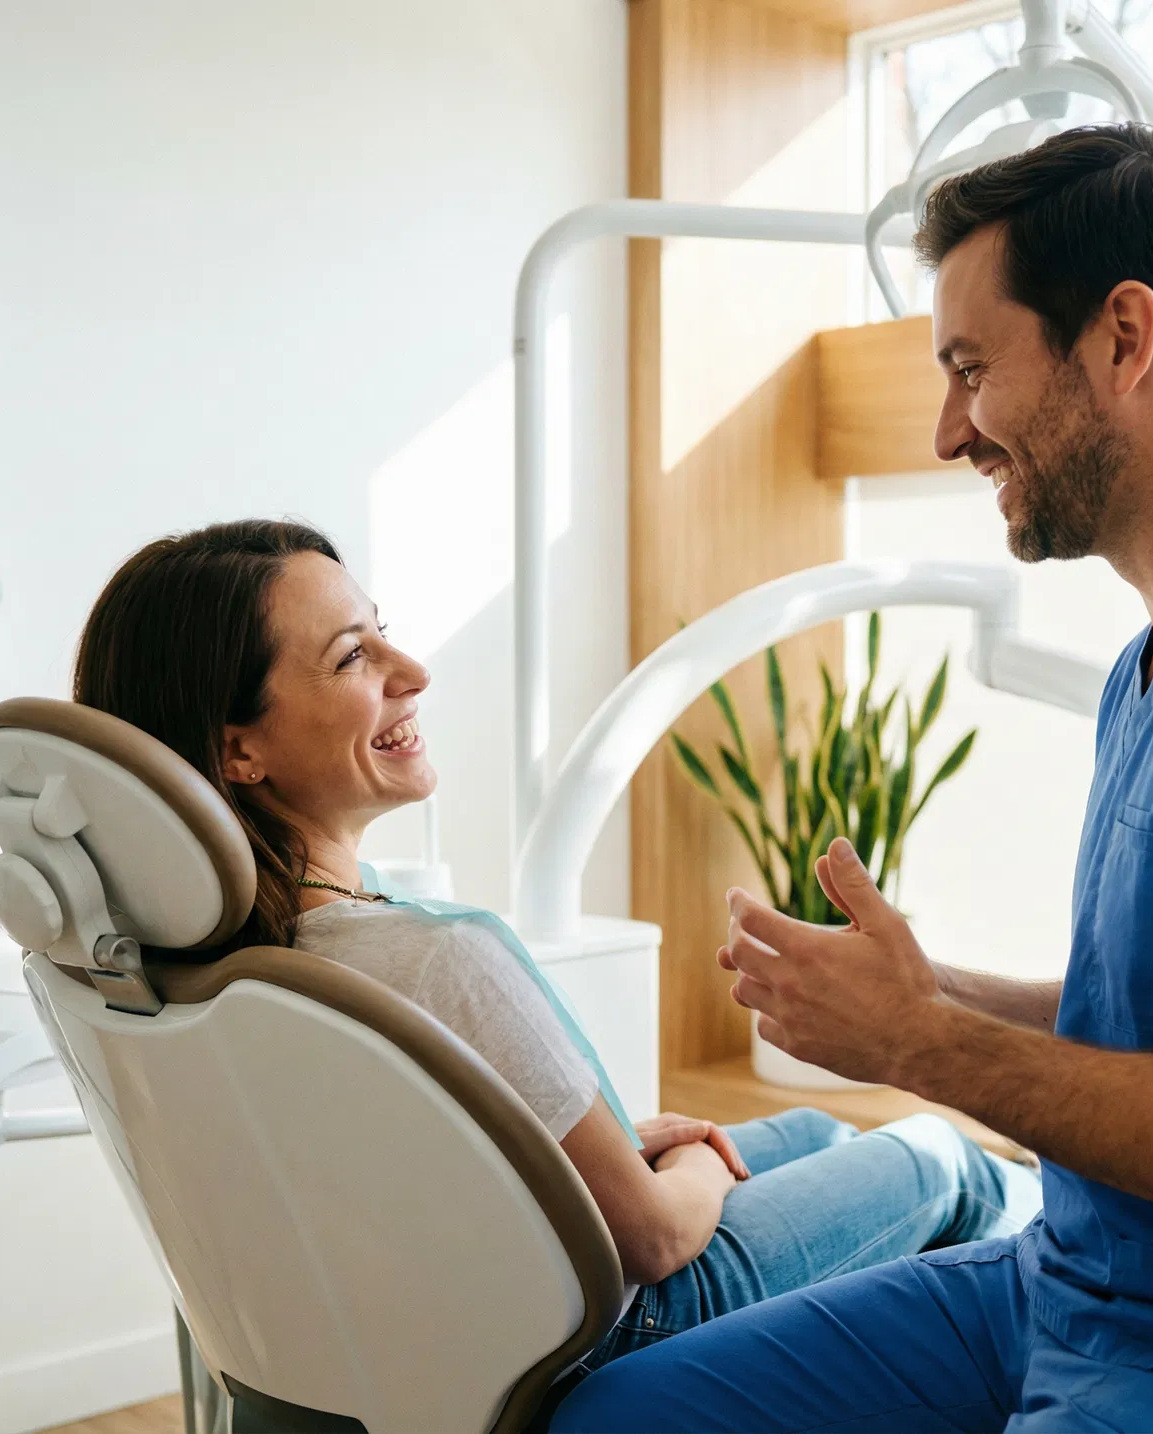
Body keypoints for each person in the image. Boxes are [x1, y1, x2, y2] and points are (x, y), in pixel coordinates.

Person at [551, 125, 1153, 1432]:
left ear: (1125, 339)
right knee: (622, 1416)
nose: (949, 428)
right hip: (1086, 1286)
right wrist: (922, 990)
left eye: (972, 368)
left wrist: (924, 1040)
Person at [70, 518, 1040, 1372]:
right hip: (616, 1322)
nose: (413, 672)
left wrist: (612, 1148)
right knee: (939, 1162)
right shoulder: (431, 958)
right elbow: (656, 1243)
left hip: (477, 1296)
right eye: (352, 657)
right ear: (239, 750)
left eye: (384, 632)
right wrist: (693, 1154)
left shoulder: (215, 971)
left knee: (825, 1134)